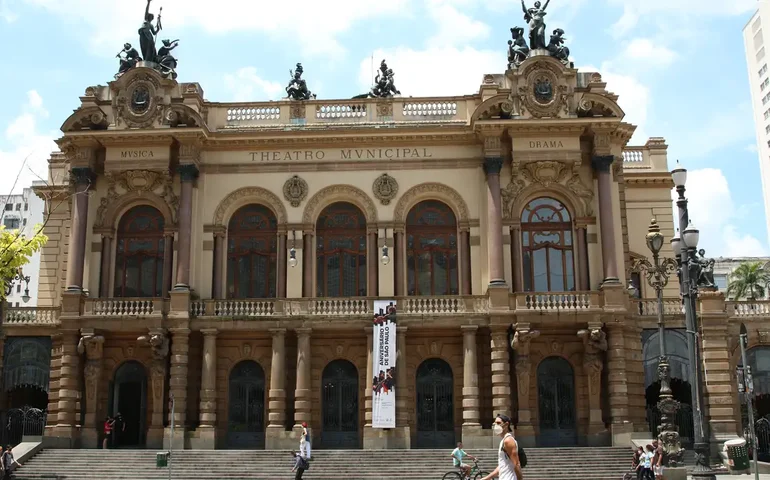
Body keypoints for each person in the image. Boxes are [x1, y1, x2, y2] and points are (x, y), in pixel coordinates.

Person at [481, 414, 522, 480]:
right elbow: (502, 466)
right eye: (495, 423)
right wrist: (486, 478)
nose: (496, 425)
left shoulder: (508, 441)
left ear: (506, 424)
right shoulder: (504, 440)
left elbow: (517, 464)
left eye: (498, 423)